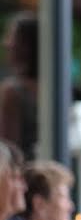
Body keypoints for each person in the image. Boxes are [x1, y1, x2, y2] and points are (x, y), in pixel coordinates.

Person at [0, 12, 38, 160]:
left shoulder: (13, 92)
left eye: (13, 37)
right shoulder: (57, 88)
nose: (6, 43)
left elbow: (8, 147)